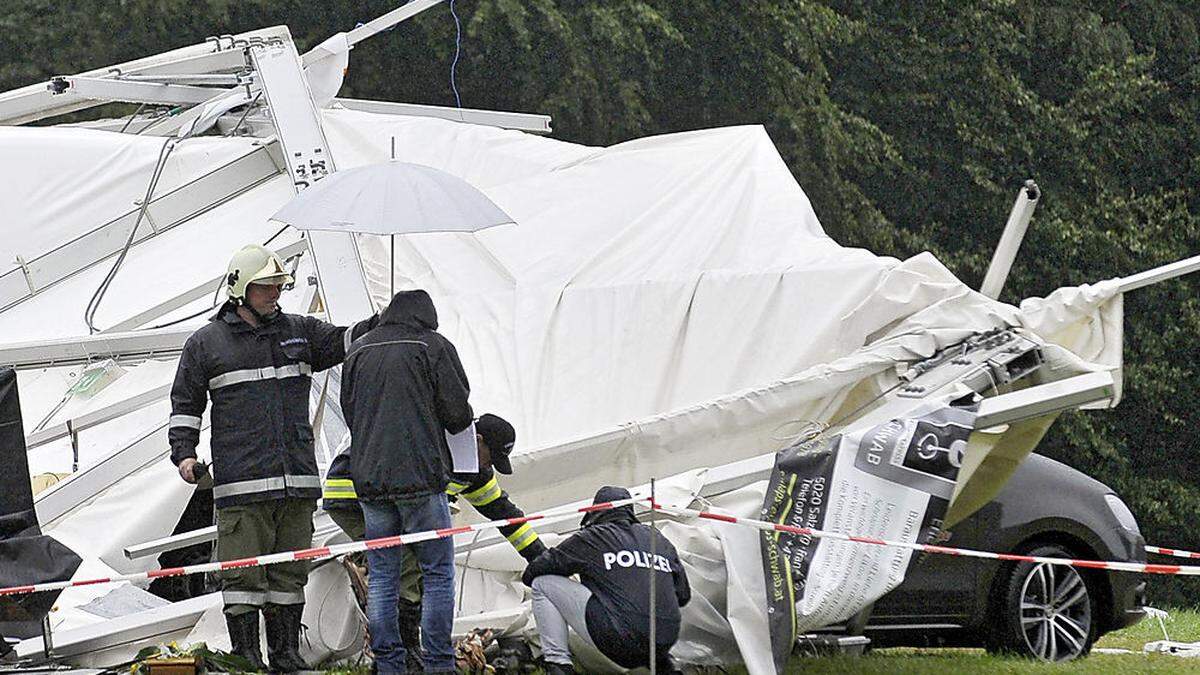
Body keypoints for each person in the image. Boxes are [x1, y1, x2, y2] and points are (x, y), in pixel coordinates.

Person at [168, 244, 376, 672]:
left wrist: (383, 320)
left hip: (296, 483)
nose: (275, 295)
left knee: (288, 577)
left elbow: (343, 340)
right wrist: (184, 456)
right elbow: (185, 404)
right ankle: (247, 658)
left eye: (279, 286)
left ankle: (285, 656)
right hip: (241, 487)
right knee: (242, 578)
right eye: (266, 288)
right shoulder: (206, 344)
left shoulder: (299, 332)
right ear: (240, 290)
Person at [322, 413, 547, 671]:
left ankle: (402, 651)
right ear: (477, 439)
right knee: (406, 563)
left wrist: (540, 555)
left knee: (413, 563)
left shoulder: (472, 468)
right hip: (352, 495)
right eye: (490, 457)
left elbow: (504, 513)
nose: (489, 466)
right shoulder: (434, 440)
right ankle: (402, 651)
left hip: (387, 499)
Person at [340, 289, 473, 674]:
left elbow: (352, 413)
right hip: (421, 480)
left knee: (383, 575)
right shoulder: (433, 346)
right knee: (436, 573)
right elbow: (458, 414)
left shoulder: (359, 350)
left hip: (369, 482)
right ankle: (438, 662)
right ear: (427, 316)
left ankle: (389, 663)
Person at [522, 486, 691, 675]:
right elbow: (683, 595)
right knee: (643, 611)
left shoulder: (593, 537)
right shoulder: (659, 540)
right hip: (664, 641)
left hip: (618, 638)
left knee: (542, 584)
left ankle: (559, 666)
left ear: (595, 512)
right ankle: (665, 668)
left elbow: (533, 572)